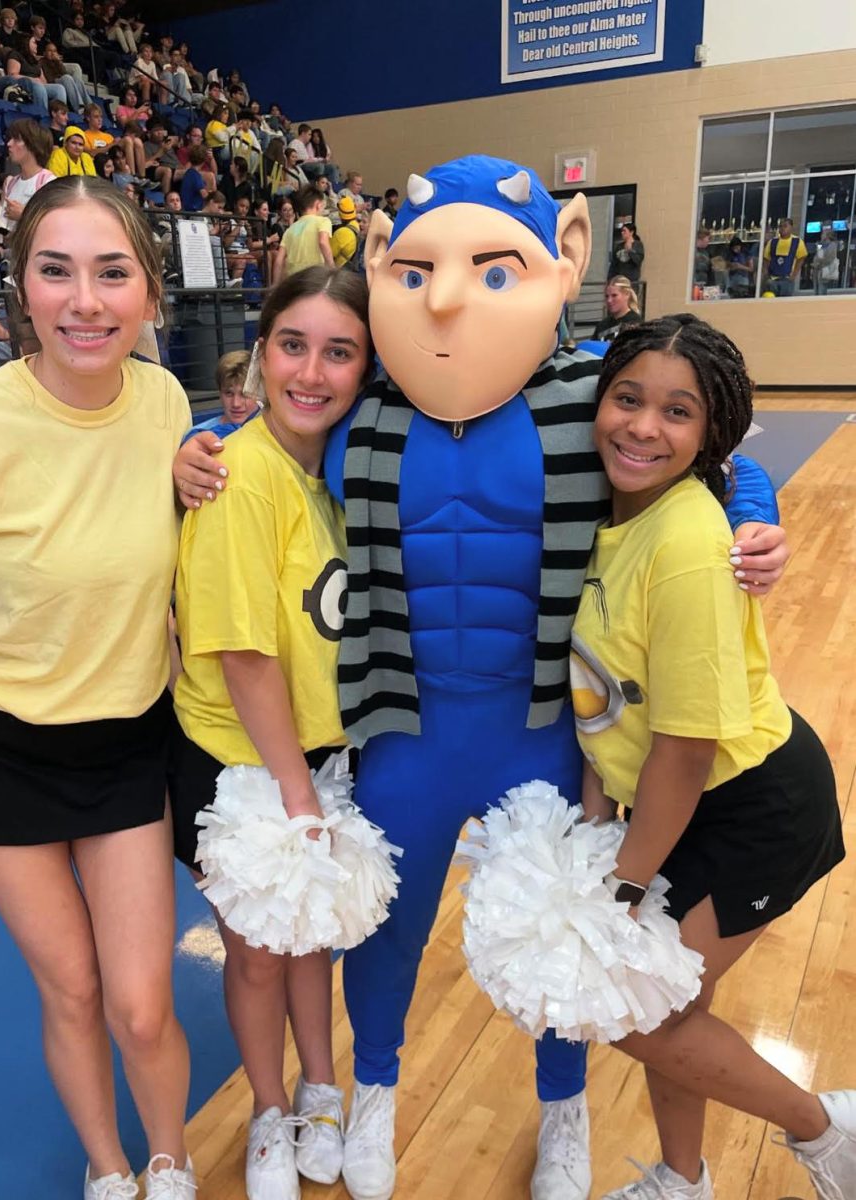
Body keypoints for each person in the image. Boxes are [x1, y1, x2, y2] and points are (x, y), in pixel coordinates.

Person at [174, 155, 790, 1200]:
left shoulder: (587, 397)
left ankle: (564, 1113)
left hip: (542, 729)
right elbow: (275, 427)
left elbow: (703, 442)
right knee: (384, 932)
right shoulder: (366, 406)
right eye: (416, 272)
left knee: (555, 927)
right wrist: (195, 451)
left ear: (568, 259)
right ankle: (372, 1095)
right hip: (406, 729)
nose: (449, 300)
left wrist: (754, 517)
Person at [0, 175, 197, 1200]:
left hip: (126, 744)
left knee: (141, 1003)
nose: (85, 301)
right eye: (56, 271)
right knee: (71, 988)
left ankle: (170, 1164)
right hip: (4, 757)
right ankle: (109, 1169)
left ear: (149, 291)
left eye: (112, 272)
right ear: (20, 286)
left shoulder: (166, 401)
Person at [573, 314, 849, 1200]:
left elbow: (686, 750)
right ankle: (680, 1179)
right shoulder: (613, 512)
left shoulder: (690, 543)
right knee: (674, 1009)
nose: (644, 427)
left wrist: (620, 885)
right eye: (628, 399)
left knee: (633, 1007)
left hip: (752, 806)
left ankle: (826, 1131)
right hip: (678, 799)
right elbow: (605, 694)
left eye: (677, 413)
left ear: (710, 433)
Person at [169, 267, 373, 1200]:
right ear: (261, 354)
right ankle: (265, 1108)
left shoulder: (339, 469)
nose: (313, 372)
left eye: (340, 351)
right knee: (255, 949)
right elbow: (244, 654)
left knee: (313, 939)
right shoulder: (242, 473)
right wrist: (296, 793)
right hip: (238, 761)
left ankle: (320, 1087)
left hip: (317, 752)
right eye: (294, 345)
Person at [185, 347, 255, 441]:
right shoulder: (198, 436)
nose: (236, 404)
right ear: (220, 394)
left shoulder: (275, 432)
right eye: (229, 393)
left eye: (244, 394)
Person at [1, 118, 54, 235]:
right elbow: (5, 226)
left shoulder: (49, 183)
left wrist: (24, 215)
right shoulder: (10, 183)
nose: (9, 144)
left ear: (33, 145)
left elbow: (56, 227)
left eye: (17, 140)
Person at [273, 185, 333, 282]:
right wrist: (332, 268)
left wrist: (275, 286)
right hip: (314, 277)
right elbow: (323, 242)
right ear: (318, 205)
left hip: (293, 280)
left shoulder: (291, 229)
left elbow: (279, 261)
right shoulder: (323, 221)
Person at [763, 217, 807, 297]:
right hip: (772, 280)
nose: (782, 228)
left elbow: (801, 258)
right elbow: (766, 258)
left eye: (785, 226)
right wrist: (766, 273)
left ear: (791, 227)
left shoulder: (797, 242)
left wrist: (793, 275)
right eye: (780, 226)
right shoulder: (772, 241)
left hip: (787, 280)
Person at [592, 275, 642, 340]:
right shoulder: (602, 325)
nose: (609, 300)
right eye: (607, 296)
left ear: (627, 294)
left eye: (614, 295)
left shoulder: (635, 323)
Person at [330, 195, 360, 271]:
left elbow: (329, 254)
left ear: (340, 214)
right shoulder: (358, 227)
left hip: (339, 273)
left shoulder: (342, 232)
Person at [812, 226, 840, 295]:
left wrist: (819, 263)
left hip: (825, 272)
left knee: (822, 291)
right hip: (817, 272)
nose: (821, 236)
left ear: (827, 236)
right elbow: (818, 256)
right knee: (816, 292)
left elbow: (828, 258)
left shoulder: (832, 245)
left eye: (823, 234)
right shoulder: (821, 245)